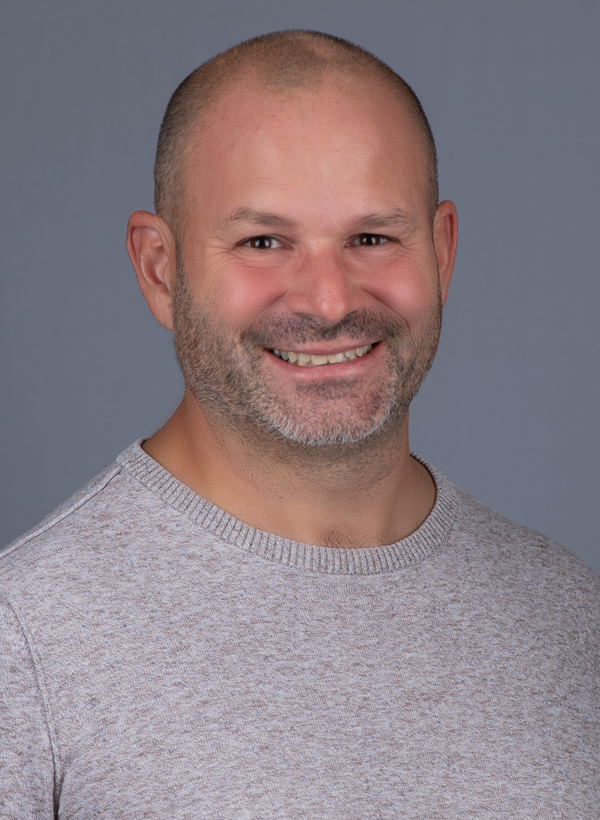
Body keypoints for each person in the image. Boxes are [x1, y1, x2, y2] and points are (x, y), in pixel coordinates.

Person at [1, 30, 598, 818]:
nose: (328, 300)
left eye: (372, 238)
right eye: (264, 242)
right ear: (160, 270)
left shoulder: (572, 616)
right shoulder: (25, 644)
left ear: (442, 252)